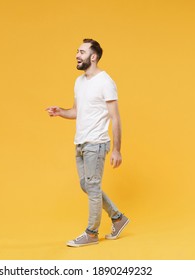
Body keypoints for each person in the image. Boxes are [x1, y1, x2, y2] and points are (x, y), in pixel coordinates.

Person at [46, 38, 129, 247]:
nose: (77, 55)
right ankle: (118, 218)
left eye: (81, 52)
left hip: (97, 143)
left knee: (92, 187)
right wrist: (60, 112)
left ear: (93, 56)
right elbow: (75, 111)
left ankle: (92, 233)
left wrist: (117, 150)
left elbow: (115, 117)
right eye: (77, 51)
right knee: (87, 185)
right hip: (81, 143)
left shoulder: (106, 82)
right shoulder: (79, 81)